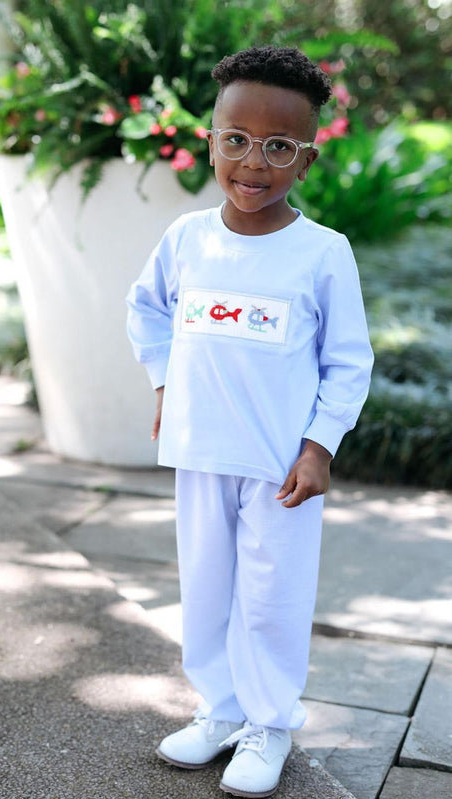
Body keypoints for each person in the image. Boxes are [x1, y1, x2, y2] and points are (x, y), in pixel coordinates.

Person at [126, 45, 373, 798]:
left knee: (272, 594)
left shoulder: (322, 254)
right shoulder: (187, 239)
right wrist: (166, 382)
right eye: (235, 139)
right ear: (209, 138)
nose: (252, 162)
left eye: (276, 146)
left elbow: (347, 360)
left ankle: (267, 719)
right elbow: (147, 311)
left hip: (278, 466)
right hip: (201, 450)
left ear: (304, 157)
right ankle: (218, 708)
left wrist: (318, 444)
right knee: (204, 585)